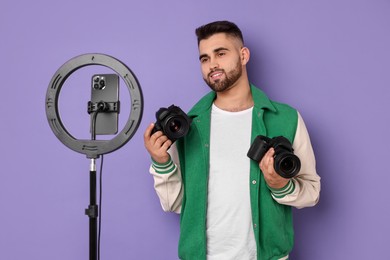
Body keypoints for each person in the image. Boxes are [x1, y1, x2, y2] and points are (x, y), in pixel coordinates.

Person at [143, 20, 320, 260]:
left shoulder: (287, 119)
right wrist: (161, 162)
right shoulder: (188, 125)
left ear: (243, 55)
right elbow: (175, 205)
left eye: (221, 53)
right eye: (204, 58)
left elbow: (312, 191)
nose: (212, 64)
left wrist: (281, 186)